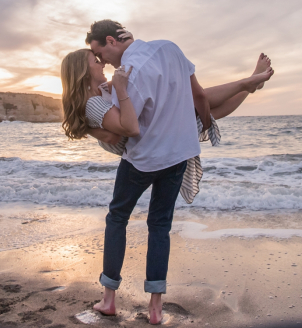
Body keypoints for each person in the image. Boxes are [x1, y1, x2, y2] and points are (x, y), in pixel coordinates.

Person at [59, 20, 273, 324]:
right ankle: (155, 307)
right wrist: (118, 93)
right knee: (159, 225)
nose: (101, 61)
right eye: (95, 60)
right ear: (83, 72)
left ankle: (109, 298)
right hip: (171, 153)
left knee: (118, 217)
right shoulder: (128, 77)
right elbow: (122, 127)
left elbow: (128, 125)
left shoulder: (114, 83)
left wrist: (116, 90)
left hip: (143, 159)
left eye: (98, 55)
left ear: (110, 41)